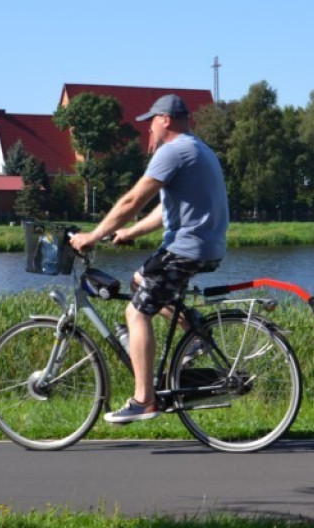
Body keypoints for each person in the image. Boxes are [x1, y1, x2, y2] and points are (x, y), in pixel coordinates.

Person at [69, 93, 229, 424]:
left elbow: (132, 201)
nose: (149, 130)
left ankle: (144, 400)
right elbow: (165, 212)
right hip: (205, 246)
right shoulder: (198, 149)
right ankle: (196, 334)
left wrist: (92, 236)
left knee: (136, 312)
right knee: (139, 280)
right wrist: (130, 233)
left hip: (186, 249)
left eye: (151, 122)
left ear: (165, 120)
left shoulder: (173, 151)